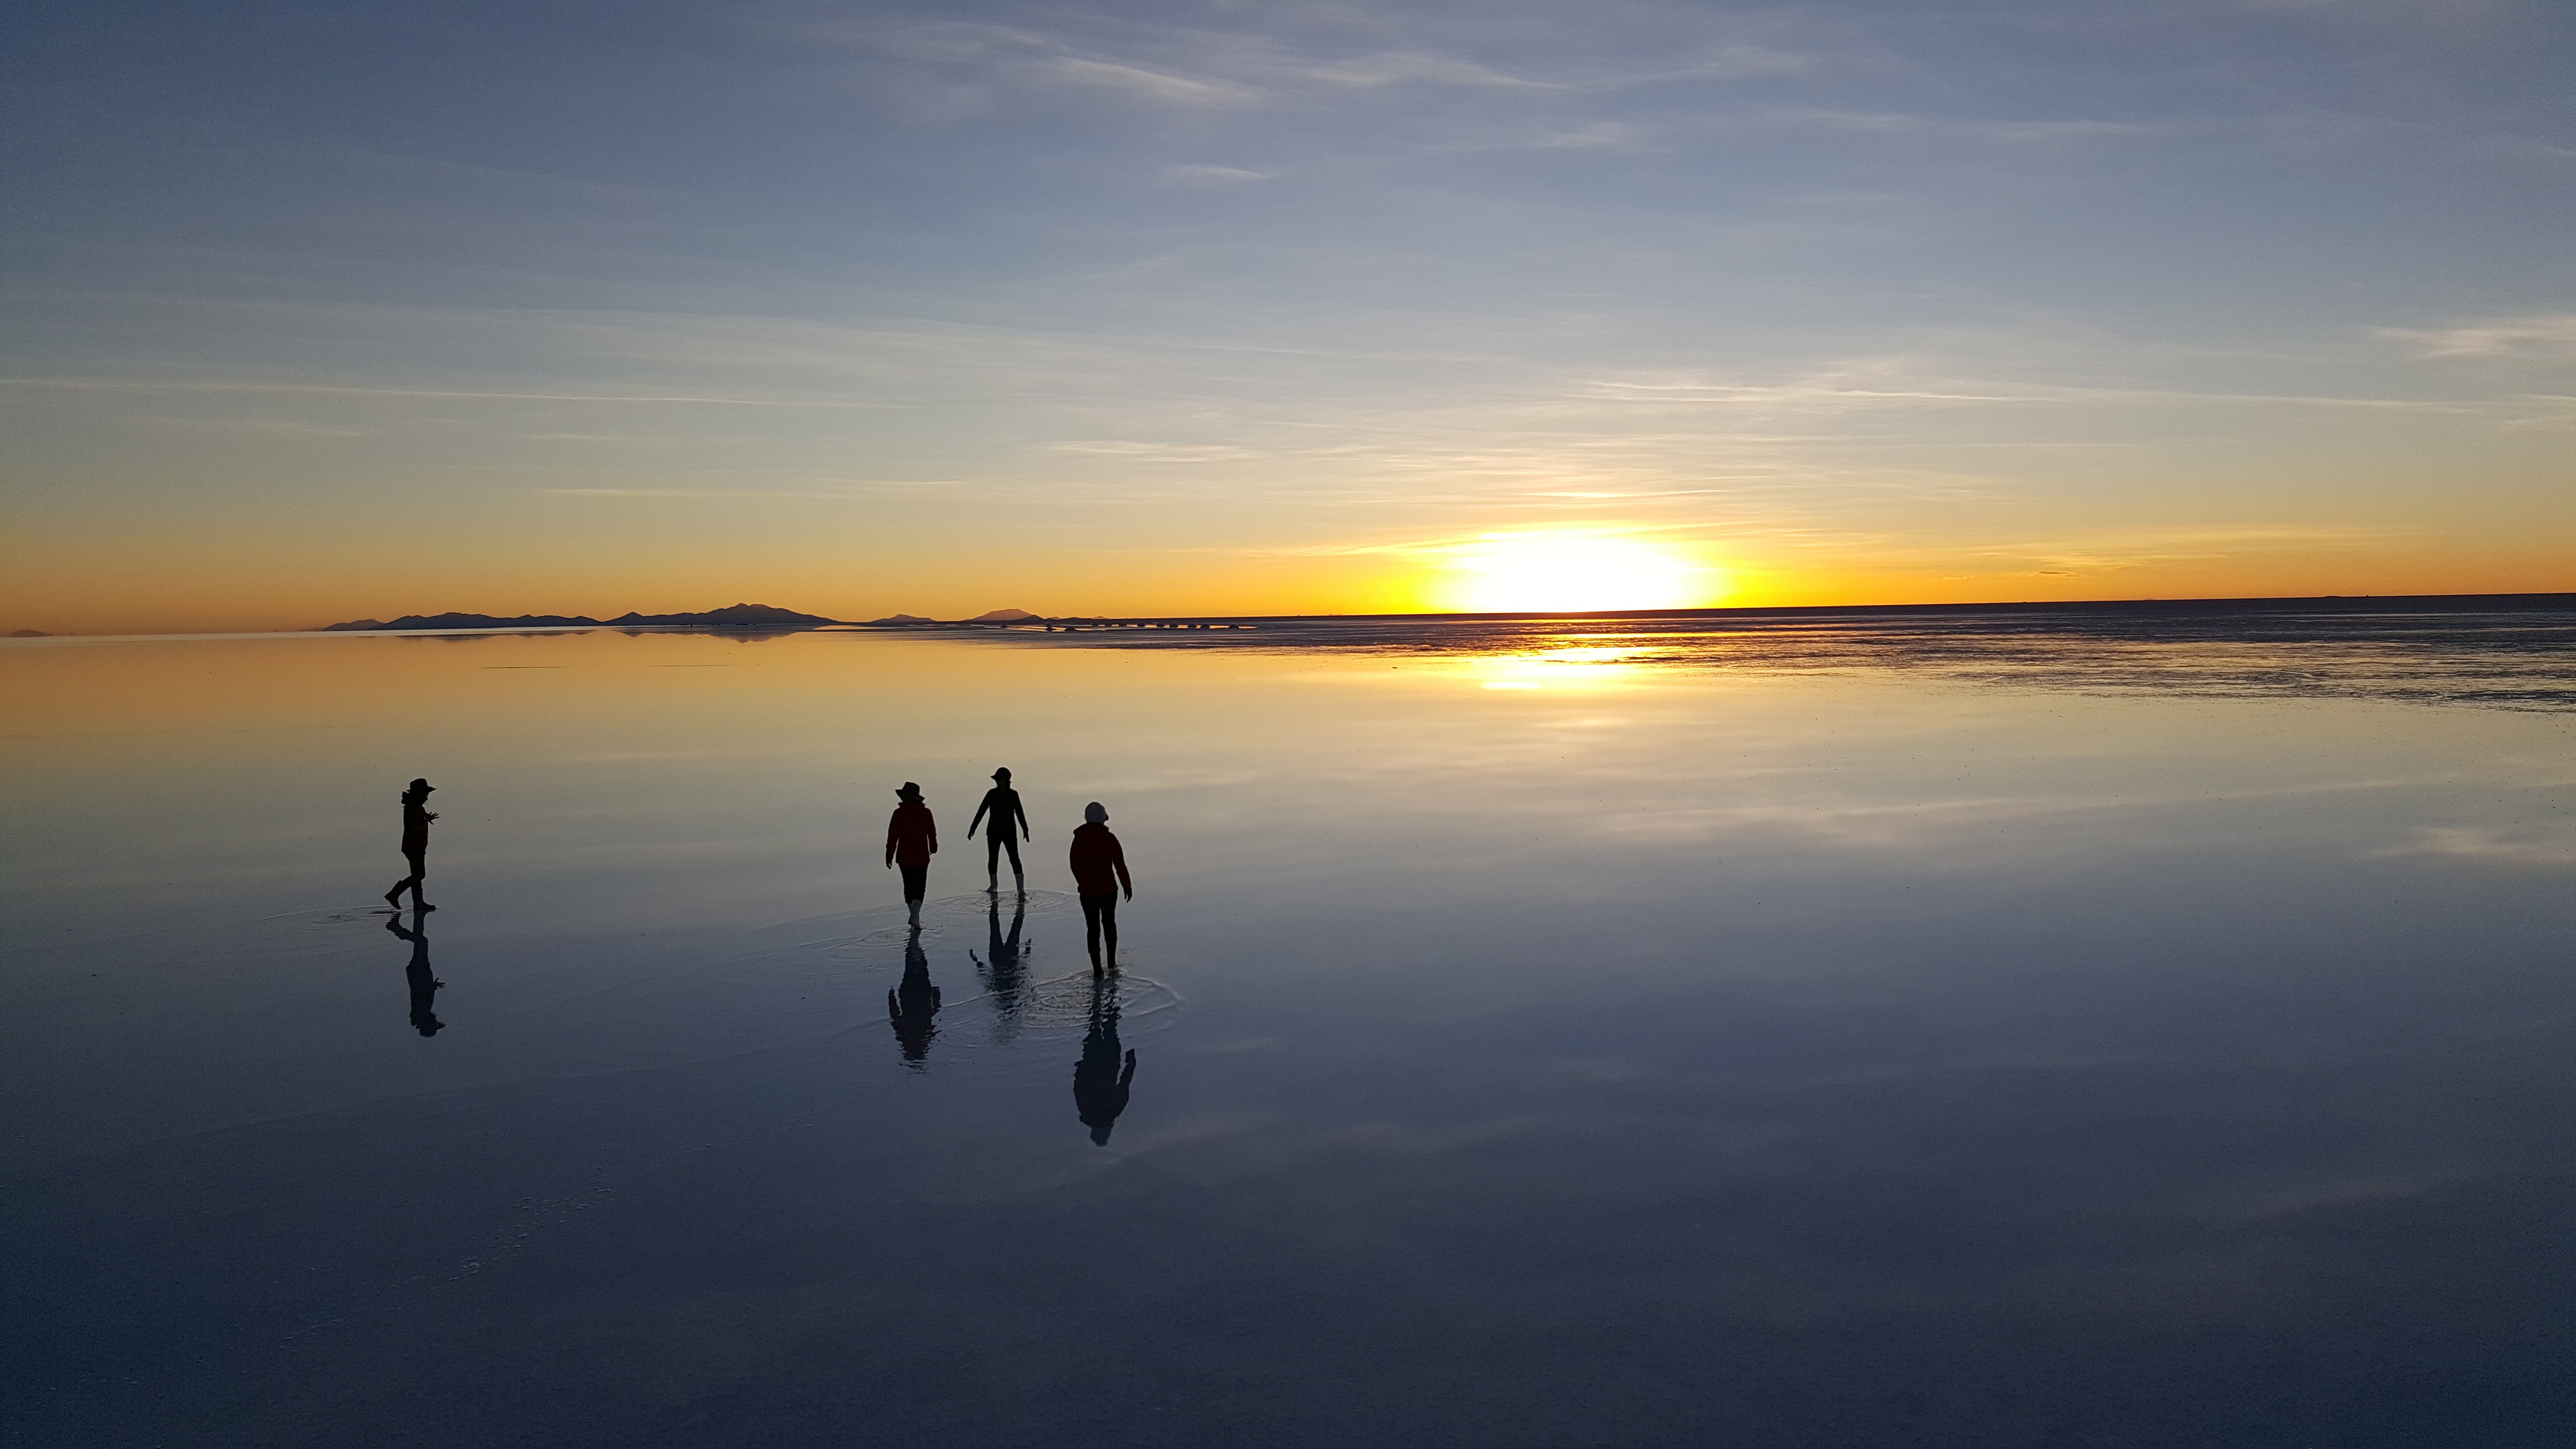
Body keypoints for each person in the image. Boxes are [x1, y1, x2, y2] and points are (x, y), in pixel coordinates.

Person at [1068, 801, 1132, 973]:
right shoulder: (1109, 838)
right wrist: (1127, 885)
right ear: (1103, 819)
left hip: (1088, 892)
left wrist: (1081, 880)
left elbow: (1074, 863)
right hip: (1109, 891)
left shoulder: (1079, 838)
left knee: (1093, 929)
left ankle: (1097, 969)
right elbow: (1120, 864)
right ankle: (1111, 964)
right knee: (1109, 924)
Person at [1072, 975, 1136, 1145]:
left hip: (1107, 1064)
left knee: (1109, 1026)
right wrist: (1079, 1069)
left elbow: (1125, 1083)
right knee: (1096, 1025)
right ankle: (1104, 994)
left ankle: (1107, 993)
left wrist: (1131, 1063)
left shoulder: (1107, 1111)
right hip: (1094, 1064)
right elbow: (1077, 1087)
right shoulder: (1090, 1110)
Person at [966, 767, 1031, 892]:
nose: (998, 783)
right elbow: (982, 810)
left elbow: (1020, 813)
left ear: (1006, 781)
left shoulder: (1013, 795)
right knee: (993, 859)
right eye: (997, 780)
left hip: (1009, 832)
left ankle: (1021, 889)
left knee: (1015, 859)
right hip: (993, 832)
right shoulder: (992, 794)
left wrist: (1025, 830)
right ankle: (993, 885)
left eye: (1000, 780)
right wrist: (973, 828)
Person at [885, 781, 937, 926]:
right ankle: (915, 916)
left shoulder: (899, 813)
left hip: (904, 857)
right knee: (920, 887)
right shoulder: (926, 813)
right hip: (922, 856)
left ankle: (914, 916)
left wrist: (889, 855)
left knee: (908, 886)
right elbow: (931, 833)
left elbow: (893, 837)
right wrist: (934, 846)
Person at [887, 926, 941, 1066]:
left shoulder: (913, 1035)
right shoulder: (920, 1035)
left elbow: (934, 1011)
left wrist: (936, 995)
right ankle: (913, 943)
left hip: (917, 994)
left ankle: (914, 943)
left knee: (919, 967)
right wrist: (891, 998)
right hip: (910, 994)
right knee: (912, 967)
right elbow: (895, 1016)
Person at [386, 907, 443, 1037]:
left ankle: (396, 929)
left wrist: (431, 987)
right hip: (420, 972)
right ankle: (417, 920)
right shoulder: (423, 1011)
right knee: (421, 941)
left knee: (422, 942)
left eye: (434, 1023)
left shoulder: (422, 1011)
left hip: (419, 972)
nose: (435, 1020)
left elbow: (421, 992)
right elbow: (424, 993)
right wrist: (434, 986)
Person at [385, 778, 438, 911]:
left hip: (418, 846)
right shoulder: (411, 807)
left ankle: (419, 904)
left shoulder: (416, 807)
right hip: (413, 847)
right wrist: (417, 827)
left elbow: (420, 817)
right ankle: (394, 894)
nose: (427, 796)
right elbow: (411, 823)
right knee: (419, 875)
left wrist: (427, 818)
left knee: (417, 875)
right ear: (418, 794)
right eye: (425, 793)